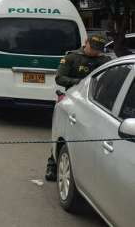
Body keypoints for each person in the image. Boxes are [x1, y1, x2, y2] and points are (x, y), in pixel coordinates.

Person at [45, 34, 110, 181]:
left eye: (98, 50)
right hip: (72, 98)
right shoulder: (72, 58)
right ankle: (52, 164)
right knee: (62, 133)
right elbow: (60, 77)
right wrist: (82, 82)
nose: (94, 52)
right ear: (85, 43)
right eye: (92, 48)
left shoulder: (105, 61)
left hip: (96, 103)